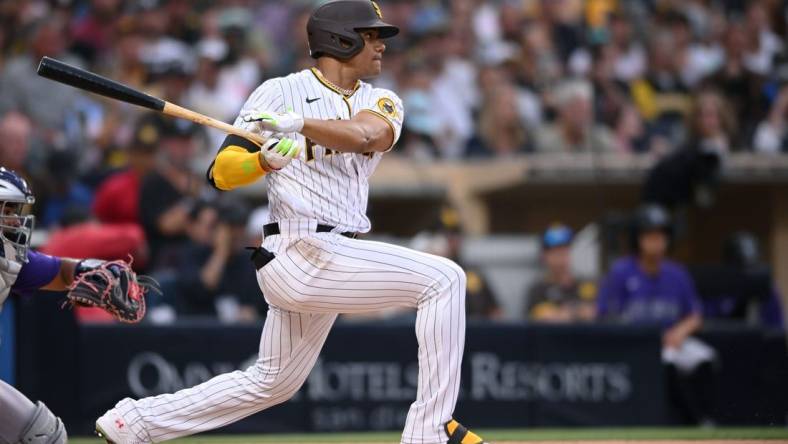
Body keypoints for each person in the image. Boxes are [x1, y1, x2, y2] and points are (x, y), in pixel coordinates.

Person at [95, 2, 485, 443]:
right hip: (299, 250)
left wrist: (299, 126)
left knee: (273, 382)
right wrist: (261, 160)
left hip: (337, 253)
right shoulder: (277, 92)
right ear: (341, 39)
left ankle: (135, 423)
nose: (380, 45)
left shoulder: (380, 99)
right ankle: (429, 432)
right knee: (444, 278)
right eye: (371, 35)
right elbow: (221, 173)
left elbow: (365, 135)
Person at [0, 167, 145, 444]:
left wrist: (93, 271)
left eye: (15, 211)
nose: (15, 222)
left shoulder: (7, 258)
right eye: (6, 211)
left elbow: (59, 271)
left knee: (42, 435)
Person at [597, 204, 716, 425]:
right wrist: (651, 338)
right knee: (667, 361)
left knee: (704, 358)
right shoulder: (621, 271)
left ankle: (707, 419)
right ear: (638, 239)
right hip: (637, 345)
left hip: (673, 339)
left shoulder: (677, 273)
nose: (656, 242)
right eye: (649, 236)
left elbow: (695, 315)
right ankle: (691, 421)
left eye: (661, 236)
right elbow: (607, 315)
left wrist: (680, 332)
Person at [524, 224, 596, 322]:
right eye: (554, 252)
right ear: (544, 256)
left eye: (564, 251)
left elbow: (596, 313)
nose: (560, 257)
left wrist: (565, 313)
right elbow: (542, 317)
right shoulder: (538, 289)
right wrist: (576, 312)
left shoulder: (588, 284)